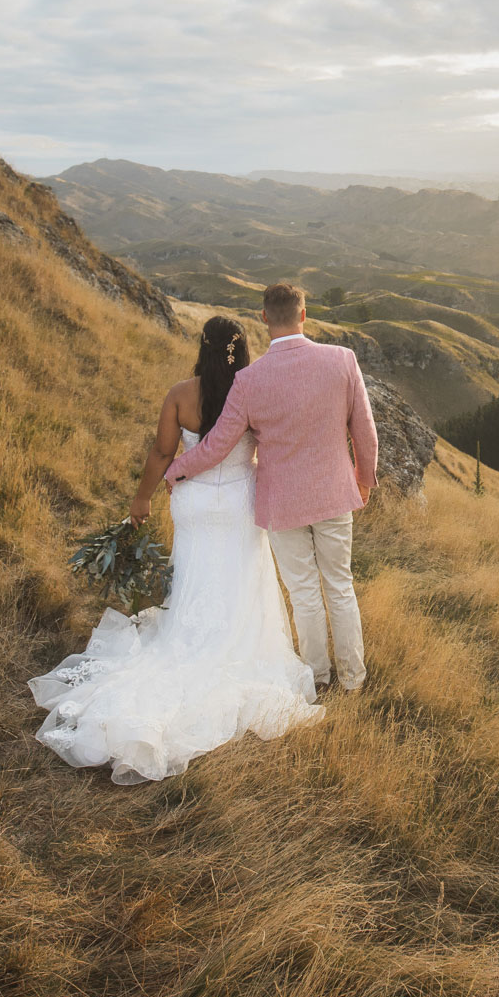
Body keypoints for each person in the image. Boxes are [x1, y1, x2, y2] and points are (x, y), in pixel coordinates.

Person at [27, 315, 322, 784]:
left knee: (194, 577)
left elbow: (163, 453)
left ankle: (188, 638)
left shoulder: (181, 394)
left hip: (196, 503)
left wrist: (141, 497)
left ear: (203, 347)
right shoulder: (255, 389)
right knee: (241, 578)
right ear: (242, 350)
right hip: (241, 503)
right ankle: (235, 645)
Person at [165, 282, 378, 693]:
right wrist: (364, 481)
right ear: (304, 313)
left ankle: (317, 676)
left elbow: (216, 446)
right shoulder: (343, 360)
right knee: (340, 585)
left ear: (264, 319)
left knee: (303, 593)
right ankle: (354, 678)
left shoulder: (248, 380)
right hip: (334, 494)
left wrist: (177, 471)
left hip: (282, 505)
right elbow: (365, 432)